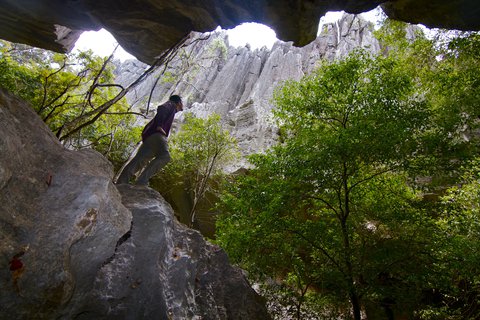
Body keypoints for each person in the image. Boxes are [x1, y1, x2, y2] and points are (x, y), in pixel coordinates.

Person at [116, 95, 183, 185]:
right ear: (178, 103)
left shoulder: (172, 109)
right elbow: (162, 108)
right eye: (182, 103)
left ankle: (121, 183)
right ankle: (142, 181)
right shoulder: (171, 104)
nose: (183, 105)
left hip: (150, 137)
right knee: (165, 156)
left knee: (139, 160)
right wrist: (159, 126)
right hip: (157, 135)